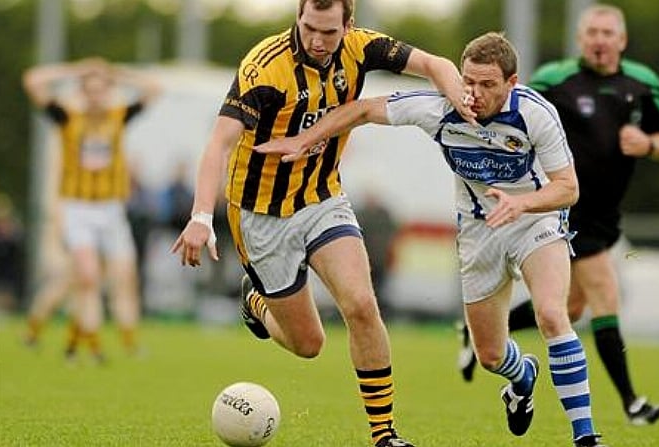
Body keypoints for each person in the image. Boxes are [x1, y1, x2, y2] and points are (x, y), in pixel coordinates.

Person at [253, 31, 607, 447]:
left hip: (535, 221)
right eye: (468, 81)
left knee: (551, 315)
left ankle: (585, 436)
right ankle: (521, 376)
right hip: (479, 230)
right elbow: (364, 110)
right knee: (490, 354)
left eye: (487, 84)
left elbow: (567, 188)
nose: (473, 93)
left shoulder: (535, 114)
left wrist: (522, 205)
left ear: (512, 83)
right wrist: (304, 139)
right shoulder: (440, 108)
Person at [169, 1, 475, 446]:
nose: (316, 40)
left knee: (361, 305)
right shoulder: (264, 68)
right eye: (309, 27)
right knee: (307, 345)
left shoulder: (362, 47)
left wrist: (459, 96)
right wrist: (200, 217)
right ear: (298, 17)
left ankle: (384, 435)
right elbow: (219, 143)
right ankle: (255, 303)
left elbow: (434, 63)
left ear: (347, 25)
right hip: (261, 216)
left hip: (322, 199)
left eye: (329, 32)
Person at [457, 4, 659, 426]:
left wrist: (647, 144)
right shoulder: (555, 79)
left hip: (604, 212)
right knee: (599, 296)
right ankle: (629, 402)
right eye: (592, 31)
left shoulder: (643, 84)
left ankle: (485, 330)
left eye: (607, 33)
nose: (599, 39)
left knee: (570, 307)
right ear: (581, 38)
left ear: (622, 40)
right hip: (558, 206)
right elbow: (509, 105)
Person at [22, 57, 161, 360]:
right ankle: (85, 343)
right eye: (90, 90)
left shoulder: (118, 116)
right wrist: (77, 69)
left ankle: (120, 342)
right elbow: (33, 80)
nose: (96, 96)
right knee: (83, 276)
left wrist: (115, 72)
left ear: (108, 91)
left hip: (111, 209)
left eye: (102, 90)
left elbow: (154, 88)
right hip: (77, 209)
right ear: (83, 92)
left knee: (121, 277)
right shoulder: (67, 117)